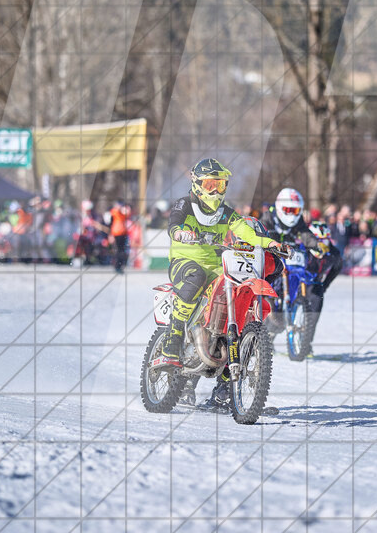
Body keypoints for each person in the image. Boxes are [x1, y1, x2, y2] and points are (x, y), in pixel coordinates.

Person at [154, 158, 286, 374]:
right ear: (197, 184)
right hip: (185, 261)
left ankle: (220, 338)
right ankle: (173, 338)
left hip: (216, 264)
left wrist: (271, 243)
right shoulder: (185, 204)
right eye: (209, 185)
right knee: (195, 277)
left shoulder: (226, 213)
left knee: (233, 286)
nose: (215, 191)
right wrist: (180, 233)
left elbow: (247, 233)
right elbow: (174, 222)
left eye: (220, 185)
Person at [260, 187, 342, 299]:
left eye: (296, 211)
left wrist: (316, 244)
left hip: (289, 253)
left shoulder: (298, 221)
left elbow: (305, 234)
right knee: (264, 274)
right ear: (280, 207)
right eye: (288, 210)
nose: (292, 215)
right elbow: (259, 235)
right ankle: (262, 297)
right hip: (271, 251)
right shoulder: (268, 217)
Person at [109, 199, 130, 274]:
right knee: (118, 250)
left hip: (123, 233)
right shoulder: (114, 212)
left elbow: (127, 213)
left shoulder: (123, 212)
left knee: (122, 250)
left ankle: (120, 266)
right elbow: (110, 224)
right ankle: (117, 266)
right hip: (117, 233)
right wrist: (110, 235)